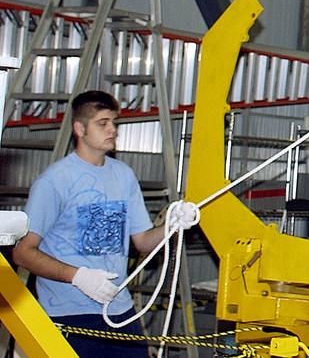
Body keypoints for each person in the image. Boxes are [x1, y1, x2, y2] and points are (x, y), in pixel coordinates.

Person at [12, 90, 190, 357]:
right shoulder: (54, 181)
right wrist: (78, 277)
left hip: (118, 309)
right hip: (69, 314)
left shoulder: (124, 175)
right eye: (103, 123)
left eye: (114, 122)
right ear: (79, 128)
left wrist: (174, 225)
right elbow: (22, 252)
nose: (112, 130)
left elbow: (141, 241)